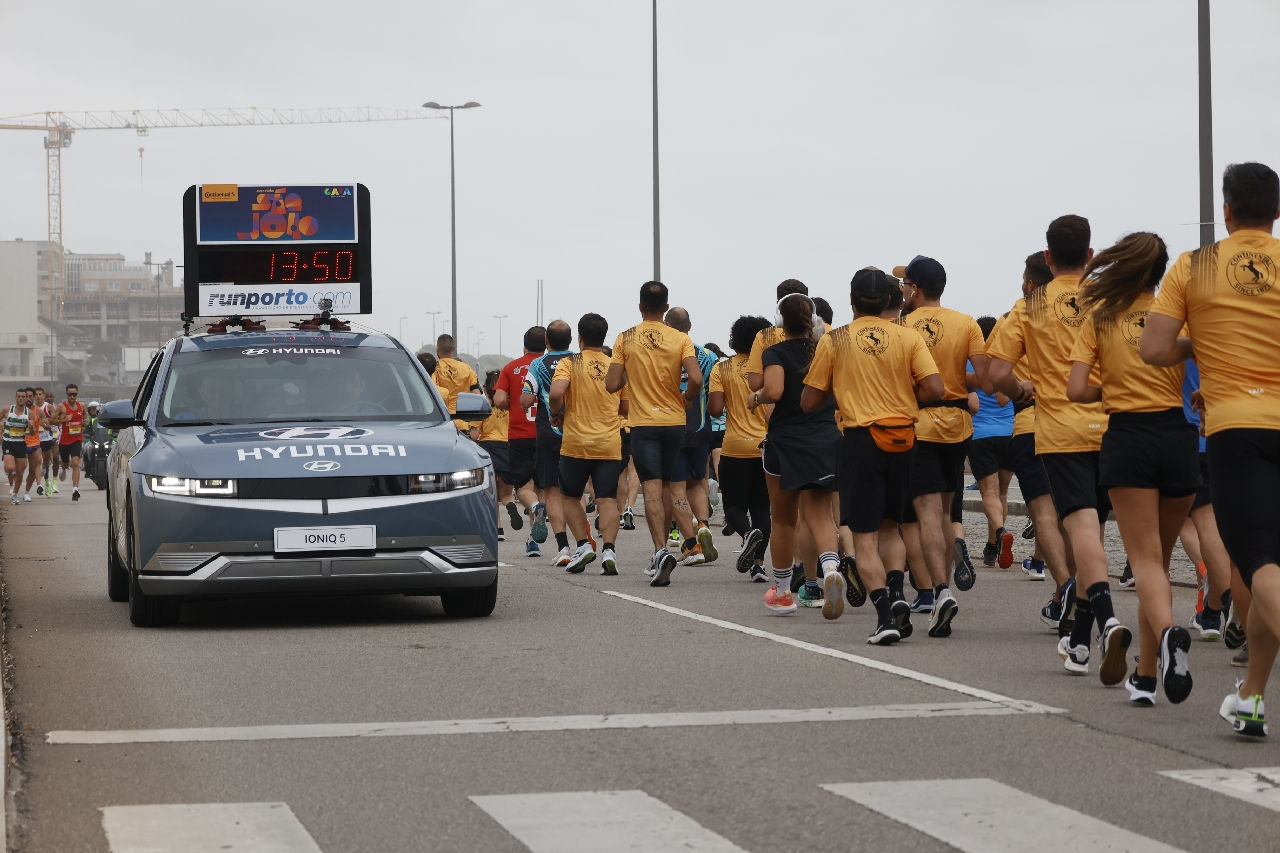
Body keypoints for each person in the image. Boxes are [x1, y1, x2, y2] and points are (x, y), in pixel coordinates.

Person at [1140, 161, 1280, 737]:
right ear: (1275, 211)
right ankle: (1250, 695)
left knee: (1260, 561)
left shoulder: (1193, 266)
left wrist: (1206, 343)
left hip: (1236, 428)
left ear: (1225, 210)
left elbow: (1153, 348)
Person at [988, 215, 1132, 686]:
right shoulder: (1111, 299)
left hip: (1061, 431)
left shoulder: (1029, 305)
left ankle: (1107, 619)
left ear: (1047, 258)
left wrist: (1022, 388)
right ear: (1091, 255)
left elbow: (995, 375)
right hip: (1113, 428)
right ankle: (1078, 642)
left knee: (1084, 531)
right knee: (1098, 530)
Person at [1067, 231, 1197, 706]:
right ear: (1160, 272)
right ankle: (1145, 676)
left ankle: (1167, 635)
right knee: (1157, 564)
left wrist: (1116, 389)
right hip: (1177, 436)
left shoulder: (1099, 316)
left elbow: (1077, 390)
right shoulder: (1174, 312)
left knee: (1143, 562)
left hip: (1129, 437)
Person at [802, 268, 943, 644]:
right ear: (888, 302)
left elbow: (809, 400)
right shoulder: (909, 336)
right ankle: (898, 594)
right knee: (890, 527)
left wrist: (844, 387)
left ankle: (884, 613)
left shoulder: (835, 341)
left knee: (863, 536)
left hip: (862, 440)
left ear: (851, 301)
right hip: (905, 437)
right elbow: (935, 387)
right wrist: (902, 393)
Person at [893, 255, 987, 637]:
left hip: (920, 425)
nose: (901, 291)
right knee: (948, 512)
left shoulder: (901, 326)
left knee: (926, 512)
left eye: (904, 285)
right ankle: (943, 585)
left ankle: (938, 590)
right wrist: (954, 380)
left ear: (915, 289)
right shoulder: (966, 323)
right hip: (958, 426)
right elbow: (983, 377)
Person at [749, 292, 844, 618]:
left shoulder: (775, 352)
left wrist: (756, 398)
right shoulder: (826, 349)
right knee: (821, 515)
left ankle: (784, 590)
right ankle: (831, 571)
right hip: (824, 438)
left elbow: (774, 391)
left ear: (780, 323)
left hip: (786, 441)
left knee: (784, 518)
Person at [606, 281, 702, 587]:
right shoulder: (680, 338)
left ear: (639, 306)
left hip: (644, 423)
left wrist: (631, 375)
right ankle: (663, 551)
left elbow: (610, 384)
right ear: (665, 308)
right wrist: (687, 398)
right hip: (675, 422)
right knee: (666, 485)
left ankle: (661, 551)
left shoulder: (626, 337)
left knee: (650, 486)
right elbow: (696, 378)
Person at [549, 313, 623, 575]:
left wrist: (555, 412)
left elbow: (557, 392)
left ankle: (583, 544)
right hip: (609, 442)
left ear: (579, 338)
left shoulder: (570, 363)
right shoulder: (616, 365)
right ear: (604, 337)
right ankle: (609, 551)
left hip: (577, 443)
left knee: (569, 496)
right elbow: (625, 405)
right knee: (607, 498)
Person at [709, 315, 773, 582]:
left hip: (734, 446)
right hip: (766, 447)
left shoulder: (721, 369)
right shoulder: (771, 368)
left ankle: (747, 535)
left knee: (733, 505)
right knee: (762, 507)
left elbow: (715, 410)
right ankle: (758, 565)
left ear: (734, 339)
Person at [663, 307, 719, 567]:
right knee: (698, 481)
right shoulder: (708, 355)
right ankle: (704, 525)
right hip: (701, 427)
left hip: (671, 427)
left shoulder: (661, 353)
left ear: (666, 325)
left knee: (676, 487)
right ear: (690, 325)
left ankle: (691, 544)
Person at [522, 320, 576, 566]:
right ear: (571, 340)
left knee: (552, 491)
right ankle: (585, 543)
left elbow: (525, 399)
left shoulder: (537, 364)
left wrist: (533, 397)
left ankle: (563, 548)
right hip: (577, 432)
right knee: (577, 490)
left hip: (548, 433)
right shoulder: (578, 360)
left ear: (547, 342)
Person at [968, 317, 1016, 570]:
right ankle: (991, 546)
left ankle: (999, 532)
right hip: (1009, 432)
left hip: (981, 434)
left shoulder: (969, 363)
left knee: (988, 492)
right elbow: (1004, 397)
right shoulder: (1004, 362)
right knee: (1003, 493)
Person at [494, 327, 546, 557]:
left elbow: (499, 399)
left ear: (524, 345)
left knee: (525, 488)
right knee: (543, 487)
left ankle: (534, 513)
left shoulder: (510, 368)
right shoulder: (550, 366)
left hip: (520, 435)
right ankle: (533, 539)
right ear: (546, 345)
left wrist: (510, 404)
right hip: (548, 434)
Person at [476, 370, 512, 540]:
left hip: (488, 449)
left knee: (492, 495)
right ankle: (511, 506)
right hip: (507, 449)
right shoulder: (510, 406)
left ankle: (498, 529)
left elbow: (475, 434)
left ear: (485, 387)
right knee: (506, 494)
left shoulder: (484, 407)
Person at [432, 334, 481, 431]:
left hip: (444, 424)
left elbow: (432, 393)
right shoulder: (467, 368)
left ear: (437, 350)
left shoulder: (435, 368)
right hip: (464, 425)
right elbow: (477, 396)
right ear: (453, 349)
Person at [52, 383, 87, 502]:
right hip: (64, 441)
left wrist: (85, 421)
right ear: (67, 394)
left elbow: (85, 415)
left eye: (74, 394)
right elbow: (51, 420)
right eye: (70, 394)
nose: (72, 396)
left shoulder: (81, 406)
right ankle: (63, 467)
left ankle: (75, 490)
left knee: (76, 462)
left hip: (77, 439)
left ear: (77, 394)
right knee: (66, 464)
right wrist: (63, 419)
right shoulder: (61, 407)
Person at [3, 387, 35, 504]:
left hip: (21, 444)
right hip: (8, 442)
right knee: (11, 468)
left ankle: (15, 495)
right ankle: (8, 469)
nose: (21, 399)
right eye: (19, 397)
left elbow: (32, 433)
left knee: (20, 472)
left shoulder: (29, 413)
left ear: (26, 399)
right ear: (16, 398)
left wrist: (31, 427)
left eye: (23, 397)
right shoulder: (7, 409)